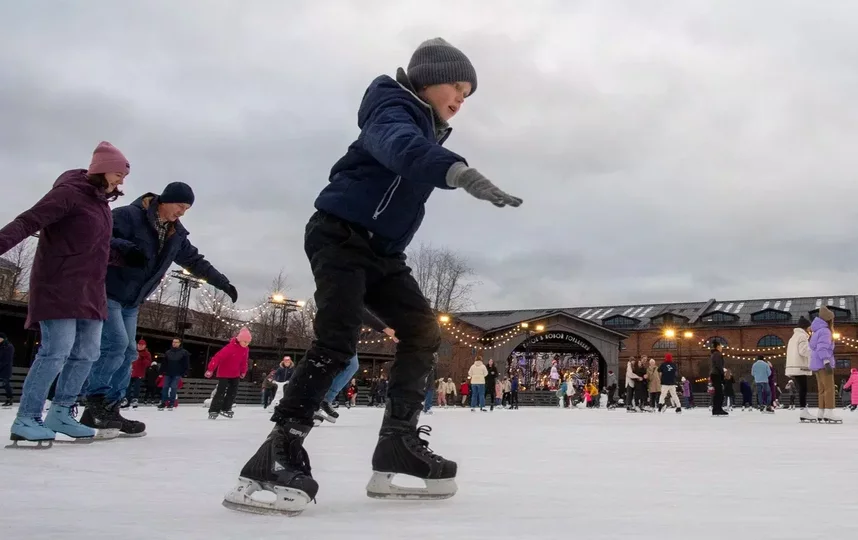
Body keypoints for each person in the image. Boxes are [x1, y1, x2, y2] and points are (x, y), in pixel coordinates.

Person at [82, 181, 237, 437]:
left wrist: (223, 283)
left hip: (132, 300)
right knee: (117, 345)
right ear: (165, 200)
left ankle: (110, 407)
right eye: (180, 205)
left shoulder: (176, 235)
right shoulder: (129, 216)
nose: (182, 212)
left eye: (187, 208)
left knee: (130, 352)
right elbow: (98, 235)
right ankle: (94, 403)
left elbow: (195, 262)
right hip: (107, 290)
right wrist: (126, 249)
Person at [1, 142, 128, 447]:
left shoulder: (101, 205)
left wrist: (124, 258)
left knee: (87, 353)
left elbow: (95, 247)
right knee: (55, 351)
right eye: (119, 173)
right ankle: (27, 417)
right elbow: (28, 220)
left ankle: (61, 412)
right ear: (101, 170)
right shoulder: (68, 193)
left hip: (91, 290)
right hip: (58, 285)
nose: (122, 181)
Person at [316, 309, 396, 424]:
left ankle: (325, 400)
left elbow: (365, 314)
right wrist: (387, 330)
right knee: (334, 366)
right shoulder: (348, 298)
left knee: (352, 366)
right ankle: (317, 401)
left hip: (347, 340)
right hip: (336, 338)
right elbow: (363, 313)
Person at [205, 327, 251, 419]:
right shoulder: (230, 347)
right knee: (220, 391)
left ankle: (226, 408)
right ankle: (214, 409)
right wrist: (210, 369)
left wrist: (243, 371)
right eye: (244, 341)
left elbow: (244, 361)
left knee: (233, 391)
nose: (246, 344)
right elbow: (218, 357)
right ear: (239, 340)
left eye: (248, 342)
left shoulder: (245, 349)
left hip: (235, 373)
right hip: (224, 373)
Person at [809, 306, 841, 423]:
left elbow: (814, 347)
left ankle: (821, 412)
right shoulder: (825, 331)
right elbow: (822, 348)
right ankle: (829, 412)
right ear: (829, 319)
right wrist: (826, 362)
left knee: (822, 389)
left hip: (816, 364)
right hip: (823, 363)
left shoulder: (816, 331)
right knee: (829, 388)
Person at [786, 316, 813, 421]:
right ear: (805, 327)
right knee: (803, 389)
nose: (810, 330)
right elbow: (803, 351)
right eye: (809, 327)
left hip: (794, 366)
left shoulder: (793, 337)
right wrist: (814, 351)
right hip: (800, 367)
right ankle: (803, 411)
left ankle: (803, 411)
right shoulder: (802, 336)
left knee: (802, 389)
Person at [158, 338, 190, 410]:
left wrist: (185, 372)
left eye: (176, 342)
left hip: (177, 373)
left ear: (179, 343)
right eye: (173, 342)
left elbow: (186, 363)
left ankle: (171, 403)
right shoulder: (168, 352)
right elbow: (164, 363)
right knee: (165, 387)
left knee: (173, 387)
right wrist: (161, 372)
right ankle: (163, 402)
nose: (174, 343)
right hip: (168, 373)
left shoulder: (184, 352)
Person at [126, 340, 152, 409]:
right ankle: (127, 400)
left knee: (136, 387)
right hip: (130, 372)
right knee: (127, 386)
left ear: (145, 346)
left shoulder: (147, 354)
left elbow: (148, 364)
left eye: (142, 345)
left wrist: (142, 358)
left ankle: (135, 399)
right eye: (139, 344)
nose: (140, 346)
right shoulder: (134, 351)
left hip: (139, 373)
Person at [709, 342, 727, 416]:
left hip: (715, 374)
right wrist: (722, 374)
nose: (722, 347)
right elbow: (719, 365)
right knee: (719, 393)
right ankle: (717, 409)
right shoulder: (717, 354)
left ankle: (717, 408)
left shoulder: (715, 354)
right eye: (721, 346)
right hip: (716, 374)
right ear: (718, 346)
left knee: (718, 392)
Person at [0, 333, 13, 407]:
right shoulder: (1, 346)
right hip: (1, 367)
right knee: (5, 384)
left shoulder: (9, 346)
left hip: (6, 369)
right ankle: (9, 398)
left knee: (5, 384)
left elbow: (7, 359)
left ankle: (9, 398)